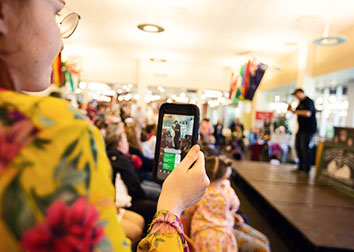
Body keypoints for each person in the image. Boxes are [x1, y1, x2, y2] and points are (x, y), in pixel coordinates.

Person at [0, 0, 210, 251]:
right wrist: (172, 206)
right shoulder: (53, 130)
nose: (62, 41)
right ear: (4, 12)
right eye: (56, 13)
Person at [183, 156, 270, 252]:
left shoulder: (199, 192)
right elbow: (235, 205)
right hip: (224, 235)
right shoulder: (227, 191)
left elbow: (188, 211)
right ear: (224, 175)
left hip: (203, 236)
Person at [288, 88, 317, 174]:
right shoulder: (301, 102)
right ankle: (301, 166)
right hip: (301, 129)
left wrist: (294, 111)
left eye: (297, 94)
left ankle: (306, 168)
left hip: (308, 129)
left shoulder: (309, 101)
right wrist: (292, 110)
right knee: (298, 147)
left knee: (305, 148)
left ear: (301, 93)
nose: (296, 97)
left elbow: (308, 113)